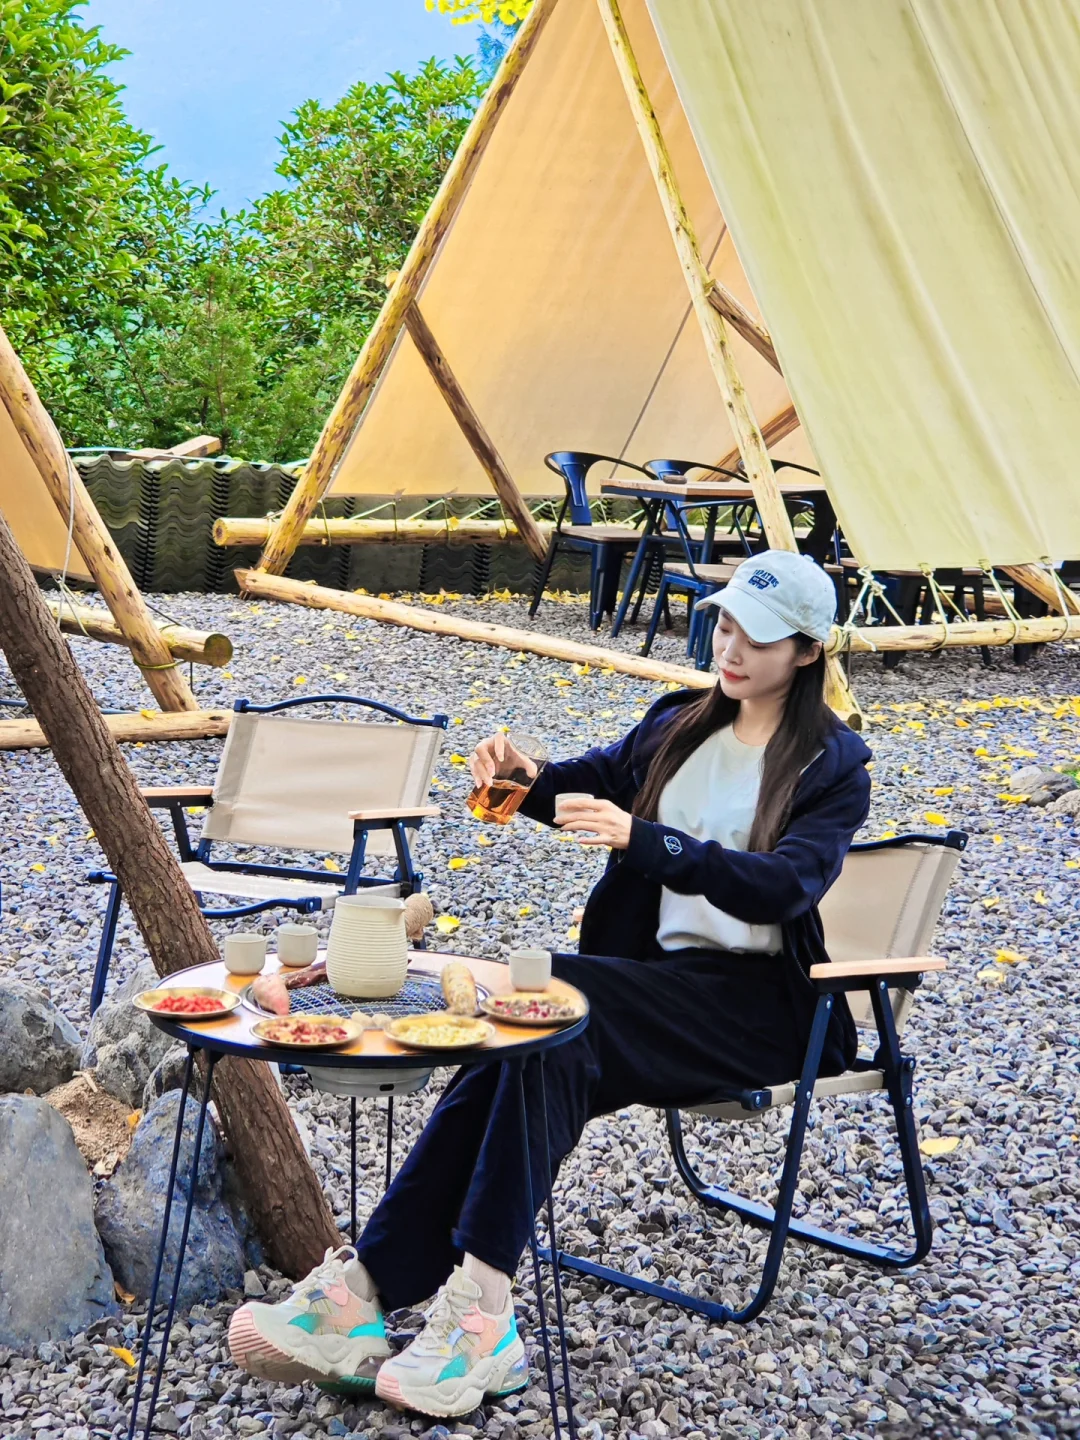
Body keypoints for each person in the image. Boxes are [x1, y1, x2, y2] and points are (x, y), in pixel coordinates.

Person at [228, 550, 871, 1418]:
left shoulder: (833, 763)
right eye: (723, 624)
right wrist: (517, 779)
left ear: (803, 651)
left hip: (758, 1009)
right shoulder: (678, 725)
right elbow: (577, 789)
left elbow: (785, 883)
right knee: (535, 1029)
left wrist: (647, 842)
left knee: (560, 1005)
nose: (731, 648)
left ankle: (413, 1302)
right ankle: (419, 1302)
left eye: (755, 637)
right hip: (651, 987)